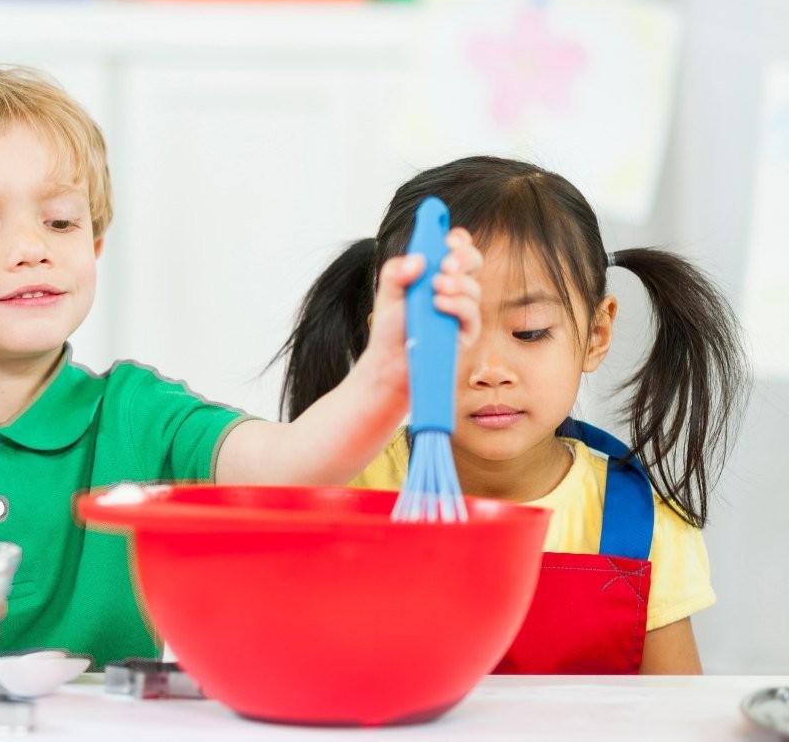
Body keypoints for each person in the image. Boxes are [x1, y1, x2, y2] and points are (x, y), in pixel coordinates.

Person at [0, 55, 483, 670]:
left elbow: (291, 466)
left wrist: (387, 374)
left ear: (93, 245)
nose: (32, 246)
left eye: (61, 221)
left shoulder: (138, 414)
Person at [278, 155, 747, 674]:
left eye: (529, 332)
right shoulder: (347, 497)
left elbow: (677, 719)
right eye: (453, 331)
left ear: (596, 334)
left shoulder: (643, 527)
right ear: (394, 339)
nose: (491, 371)